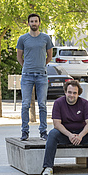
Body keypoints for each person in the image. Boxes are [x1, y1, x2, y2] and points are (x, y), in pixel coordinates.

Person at [42, 80, 88, 175]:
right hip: (65, 135)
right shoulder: (58, 103)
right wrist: (70, 135)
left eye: (75, 93)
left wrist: (80, 136)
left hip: (82, 135)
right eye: (69, 92)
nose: (72, 95)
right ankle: (48, 167)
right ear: (65, 92)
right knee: (52, 134)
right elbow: (57, 124)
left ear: (78, 94)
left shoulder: (84, 103)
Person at [16, 13, 53, 141]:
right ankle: (24, 132)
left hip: (42, 75)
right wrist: (27, 67)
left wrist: (41, 65)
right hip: (27, 75)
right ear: (28, 23)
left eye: (36, 21)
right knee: (25, 104)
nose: (34, 23)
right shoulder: (22, 39)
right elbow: (19, 57)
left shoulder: (46, 38)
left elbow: (49, 56)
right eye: (31, 21)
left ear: (39, 23)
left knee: (42, 104)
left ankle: (43, 131)